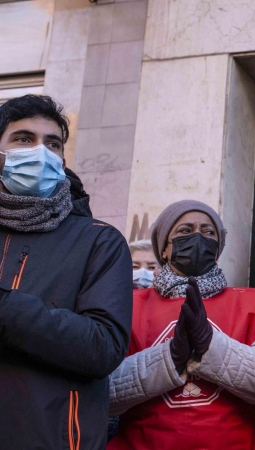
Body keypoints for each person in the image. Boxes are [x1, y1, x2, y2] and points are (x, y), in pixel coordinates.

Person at [0, 94, 133, 450]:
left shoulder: (98, 241)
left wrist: (6, 308)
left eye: (53, 143)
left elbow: (103, 346)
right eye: (24, 139)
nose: (40, 151)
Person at [108, 200, 255, 450]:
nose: (198, 238)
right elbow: (104, 391)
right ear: (165, 250)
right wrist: (170, 357)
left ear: (217, 249)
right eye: (185, 231)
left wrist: (210, 345)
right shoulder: (129, 306)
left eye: (208, 232)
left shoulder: (249, 305)